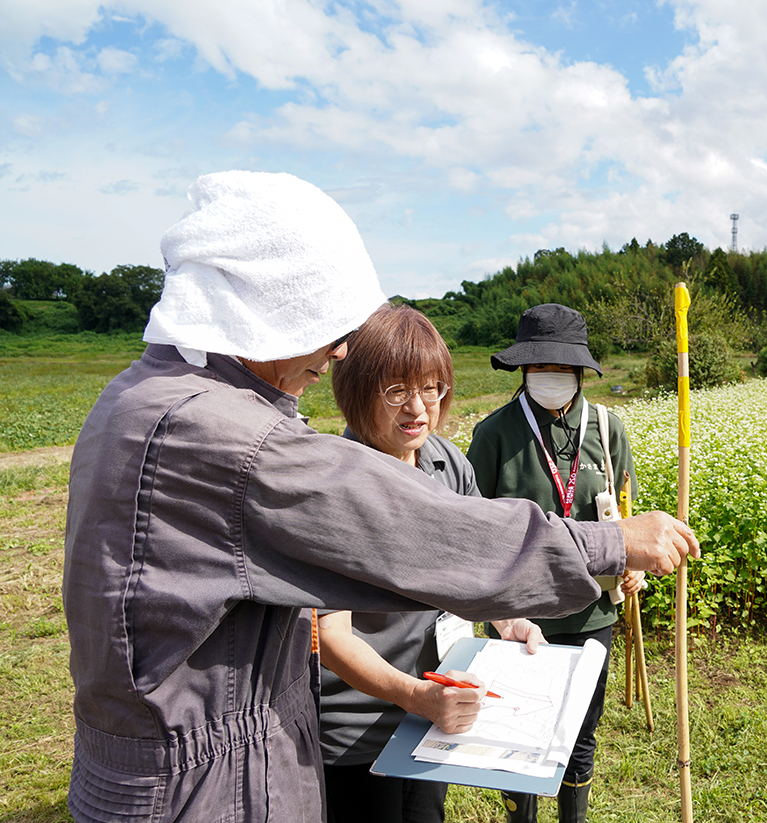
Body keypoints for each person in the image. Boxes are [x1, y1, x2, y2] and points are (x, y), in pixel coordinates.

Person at [62, 171, 700, 823]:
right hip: (212, 791)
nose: (338, 350)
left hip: (200, 770)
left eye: (432, 389)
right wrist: (611, 542)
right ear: (266, 308)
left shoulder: (141, 394)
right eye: (325, 323)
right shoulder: (225, 434)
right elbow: (427, 535)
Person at [318, 305, 545, 823]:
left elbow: (477, 568)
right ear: (356, 392)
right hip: (358, 727)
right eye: (396, 391)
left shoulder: (447, 462)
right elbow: (330, 637)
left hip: (436, 704)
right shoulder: (333, 485)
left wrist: (506, 620)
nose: (418, 407)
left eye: (432, 388)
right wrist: (415, 696)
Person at [466, 303, 643, 823]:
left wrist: (630, 559)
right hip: (522, 616)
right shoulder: (495, 435)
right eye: (539, 368)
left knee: (582, 730)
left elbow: (624, 513)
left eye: (561, 368)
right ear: (523, 370)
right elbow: (475, 531)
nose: (551, 378)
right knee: (521, 731)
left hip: (594, 615)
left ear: (580, 372)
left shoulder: (607, 429)